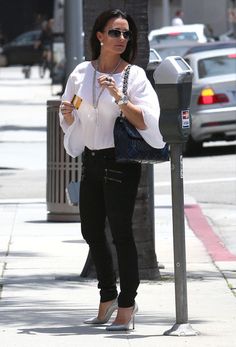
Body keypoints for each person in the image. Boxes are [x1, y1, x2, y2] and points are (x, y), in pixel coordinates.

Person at [59, 9, 165, 331]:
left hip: (120, 163)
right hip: (91, 161)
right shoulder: (80, 73)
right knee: (91, 231)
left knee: (121, 235)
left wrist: (119, 97)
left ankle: (127, 304)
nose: (122, 39)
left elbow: (148, 121)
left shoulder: (133, 76)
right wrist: (66, 116)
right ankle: (107, 295)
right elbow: (71, 118)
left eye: (126, 33)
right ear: (99, 36)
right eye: (115, 32)